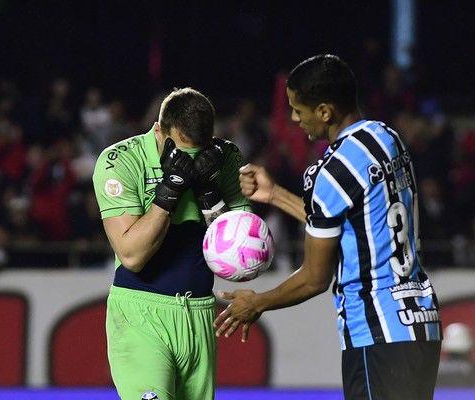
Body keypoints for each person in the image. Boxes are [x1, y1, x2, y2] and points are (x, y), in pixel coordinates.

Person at [214, 54, 442, 400]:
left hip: (376, 333)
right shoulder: (387, 138)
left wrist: (257, 303)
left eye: (298, 109)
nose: (293, 118)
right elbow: (349, 219)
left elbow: (315, 277)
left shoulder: (329, 171)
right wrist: (275, 194)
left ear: (324, 111)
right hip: (420, 324)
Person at [93, 87, 250, 400]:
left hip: (201, 314)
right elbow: (132, 256)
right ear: (159, 129)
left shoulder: (226, 157)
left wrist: (210, 196)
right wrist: (169, 191)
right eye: (183, 152)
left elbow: (241, 260)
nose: (191, 163)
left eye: (198, 152)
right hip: (141, 313)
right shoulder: (121, 161)